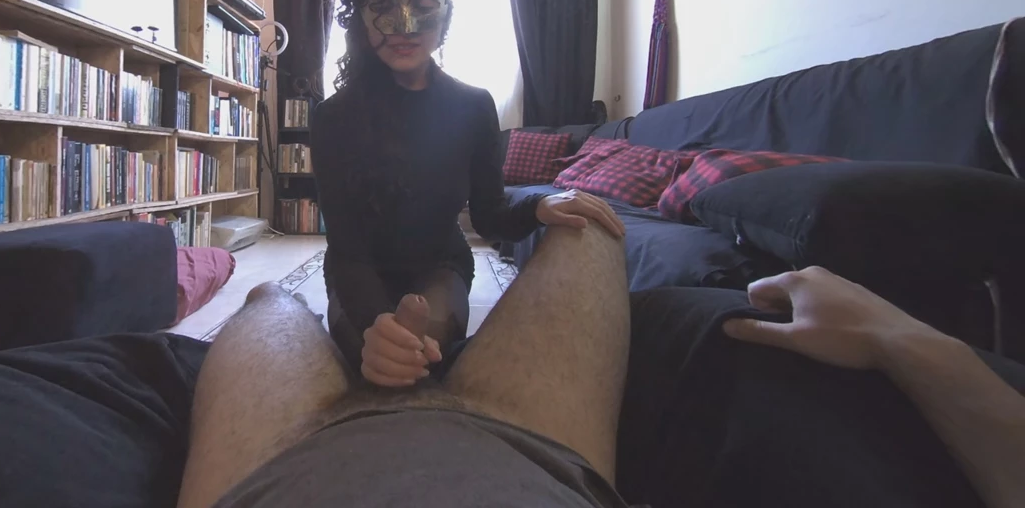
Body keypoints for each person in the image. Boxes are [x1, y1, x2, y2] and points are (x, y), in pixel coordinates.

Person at [175, 220, 1025, 508]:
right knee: (592, 230)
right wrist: (905, 338)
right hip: (542, 452)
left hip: (267, 470)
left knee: (268, 298)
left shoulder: (453, 106)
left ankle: (396, 338)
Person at [310, 0, 624, 384]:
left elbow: (490, 215)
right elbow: (347, 249)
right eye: (383, 3)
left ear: (445, 12)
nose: (404, 24)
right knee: (376, 362)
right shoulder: (333, 118)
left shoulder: (473, 106)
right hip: (358, 271)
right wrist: (375, 323)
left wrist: (541, 206)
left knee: (421, 358)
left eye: (423, 2)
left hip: (440, 264)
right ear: (361, 13)